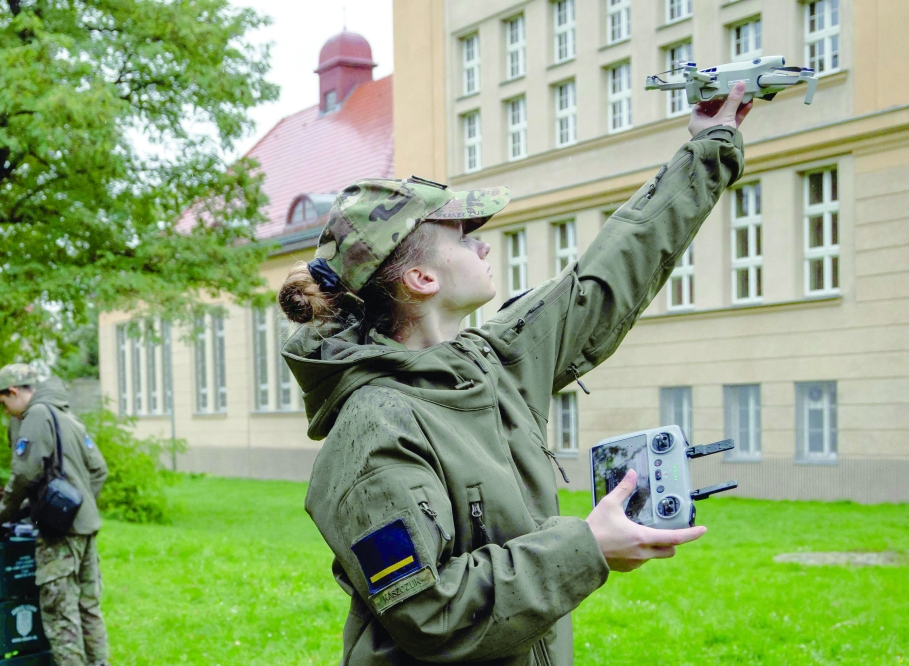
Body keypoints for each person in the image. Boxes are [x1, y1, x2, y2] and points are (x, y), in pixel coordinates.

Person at [277, 84, 752, 664]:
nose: (482, 247)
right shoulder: (373, 432)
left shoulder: (490, 364)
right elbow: (430, 611)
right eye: (463, 235)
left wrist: (707, 149)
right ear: (420, 279)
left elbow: (606, 276)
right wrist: (588, 546)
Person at [0, 364, 110, 666]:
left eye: (3, 403)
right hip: (87, 528)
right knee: (87, 607)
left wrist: (0, 516)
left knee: (60, 614)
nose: (6, 412)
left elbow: (25, 473)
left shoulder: (36, 415)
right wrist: (73, 505)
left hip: (61, 536)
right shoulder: (68, 417)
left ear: (12, 392)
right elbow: (99, 471)